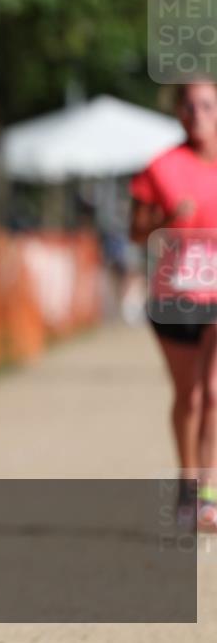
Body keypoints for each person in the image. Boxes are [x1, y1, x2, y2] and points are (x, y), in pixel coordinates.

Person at [129, 78, 217, 530]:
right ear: (178, 112)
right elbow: (136, 232)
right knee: (192, 395)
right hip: (176, 297)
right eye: (189, 105)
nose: (197, 113)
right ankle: (188, 488)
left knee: (215, 394)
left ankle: (209, 494)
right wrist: (167, 219)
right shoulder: (161, 168)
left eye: (206, 105)